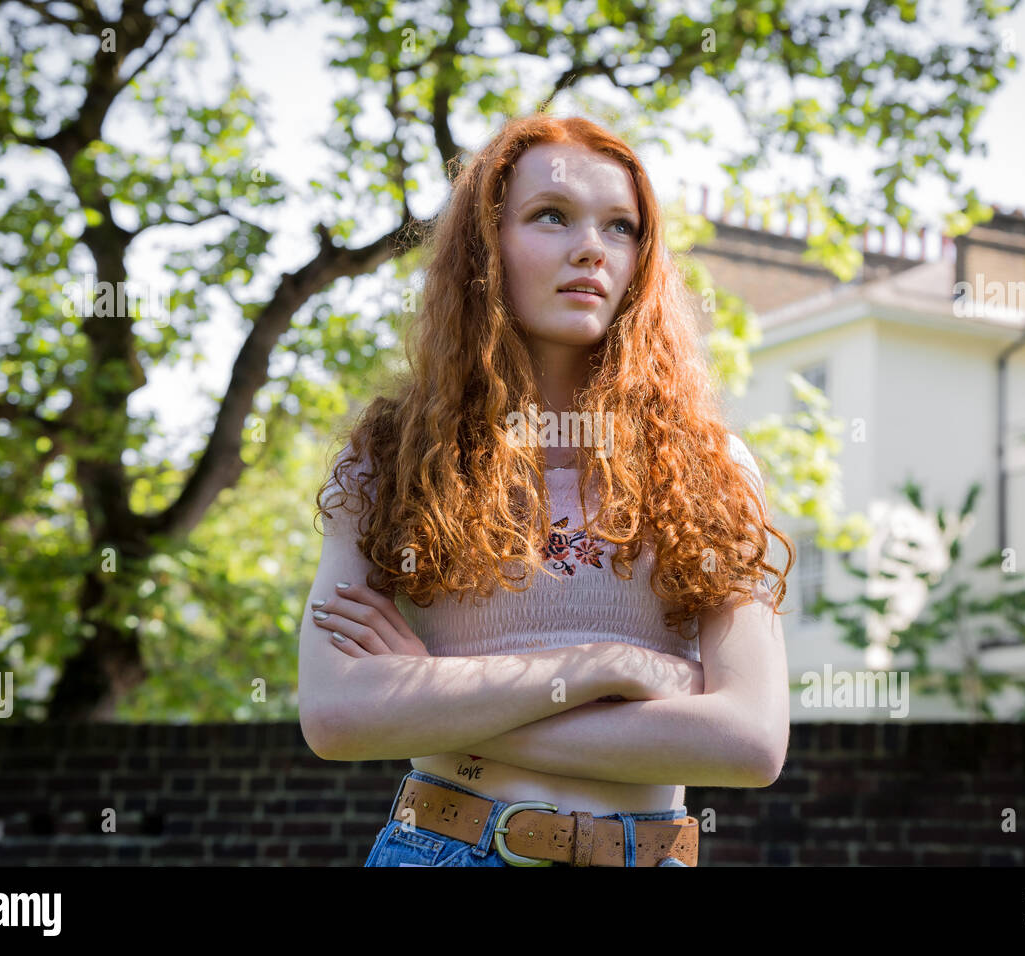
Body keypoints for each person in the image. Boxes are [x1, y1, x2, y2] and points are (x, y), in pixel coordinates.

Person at [298, 113, 793, 867]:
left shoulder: (711, 466)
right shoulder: (392, 457)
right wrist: (605, 665)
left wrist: (430, 697)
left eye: (621, 227)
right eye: (551, 216)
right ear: (485, 246)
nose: (592, 247)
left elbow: (749, 741)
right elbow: (335, 717)